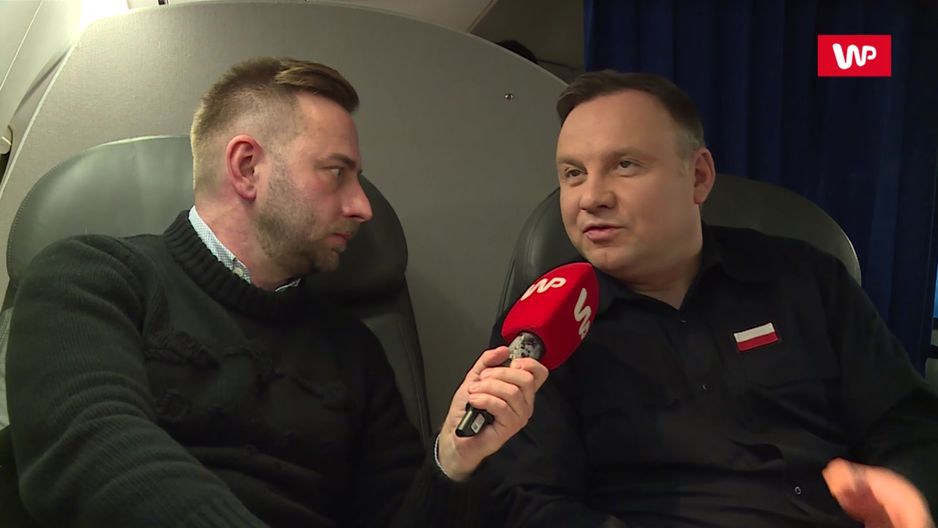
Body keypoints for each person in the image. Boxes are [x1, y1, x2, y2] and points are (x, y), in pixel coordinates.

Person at [4, 57, 547, 527]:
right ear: (247, 168)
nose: (363, 207)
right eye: (336, 173)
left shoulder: (354, 353)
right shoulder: (91, 278)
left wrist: (453, 461)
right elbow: (92, 448)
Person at [482, 70, 938, 527]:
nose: (591, 197)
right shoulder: (542, 329)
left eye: (625, 165)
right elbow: (529, 500)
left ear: (698, 177)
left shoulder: (805, 278)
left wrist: (906, 492)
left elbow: (906, 422)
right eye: (573, 174)